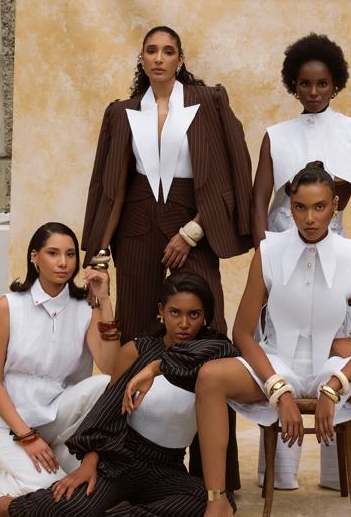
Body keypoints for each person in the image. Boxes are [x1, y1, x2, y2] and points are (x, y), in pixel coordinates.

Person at [129, 162, 351, 517]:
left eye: (319, 207)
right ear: (290, 205)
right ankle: (217, 505)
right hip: (277, 363)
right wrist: (279, 389)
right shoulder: (268, 251)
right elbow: (242, 332)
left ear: (335, 206)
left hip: (333, 367)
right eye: (300, 207)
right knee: (211, 377)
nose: (309, 218)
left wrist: (335, 386)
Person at [0, 273, 239, 517]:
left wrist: (156, 367)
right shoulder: (136, 351)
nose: (184, 323)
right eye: (175, 312)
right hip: (122, 458)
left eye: (194, 314)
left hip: (167, 466)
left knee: (215, 503)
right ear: (161, 312)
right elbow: (109, 411)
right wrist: (90, 461)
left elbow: (220, 352)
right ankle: (8, 506)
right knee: (69, 505)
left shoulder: (215, 354)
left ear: (206, 316)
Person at [250, 33, 351, 495]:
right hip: (283, 255)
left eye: (323, 83)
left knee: (344, 353)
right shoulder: (276, 135)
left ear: (336, 84)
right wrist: (264, 256)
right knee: (281, 350)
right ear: (293, 84)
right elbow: (258, 200)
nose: (313, 92)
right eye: (304, 84)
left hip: (336, 254)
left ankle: (348, 474)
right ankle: (279, 473)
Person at [81, 24, 252, 342]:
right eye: (151, 51)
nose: (159, 58)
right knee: (134, 323)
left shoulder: (208, 102)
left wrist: (192, 232)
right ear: (142, 59)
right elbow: (113, 189)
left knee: (206, 319)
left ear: (180, 60)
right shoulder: (122, 112)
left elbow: (227, 174)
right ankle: (139, 375)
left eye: (168, 52)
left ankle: (207, 375)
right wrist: (99, 258)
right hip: (136, 226)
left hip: (193, 219)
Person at [0, 222, 117, 503]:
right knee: (55, 490)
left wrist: (104, 301)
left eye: (70, 254)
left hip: (54, 414)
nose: (63, 263)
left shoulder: (85, 308)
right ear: (35, 257)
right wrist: (28, 438)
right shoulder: (8, 306)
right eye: (53, 253)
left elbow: (111, 367)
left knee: (104, 385)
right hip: (1, 419)